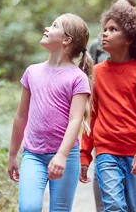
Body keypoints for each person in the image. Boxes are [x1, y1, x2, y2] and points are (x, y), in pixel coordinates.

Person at [7, 13, 93, 212]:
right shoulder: (32, 72)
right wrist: (12, 155)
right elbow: (21, 115)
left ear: (66, 40)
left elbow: (75, 120)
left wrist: (61, 156)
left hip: (67, 156)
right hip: (33, 155)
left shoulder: (77, 78)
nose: (47, 28)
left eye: (54, 26)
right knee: (28, 208)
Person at [79, 3, 136, 212]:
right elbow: (91, 116)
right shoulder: (96, 73)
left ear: (130, 38)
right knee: (114, 206)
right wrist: (85, 154)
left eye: (113, 29)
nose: (105, 34)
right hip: (107, 152)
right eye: (105, 29)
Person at [87, 0, 136, 212]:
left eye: (125, 9)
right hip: (104, 119)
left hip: (131, 126)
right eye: (115, 8)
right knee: (106, 185)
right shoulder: (98, 45)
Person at [88, 0, 136, 64]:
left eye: (125, 9)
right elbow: (88, 72)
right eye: (116, 9)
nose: (120, 13)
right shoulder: (96, 46)